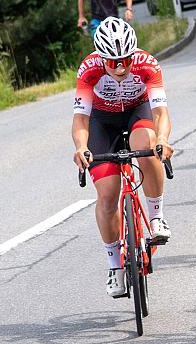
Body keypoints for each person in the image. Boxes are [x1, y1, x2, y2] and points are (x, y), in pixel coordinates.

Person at [72, 17, 173, 297]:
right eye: (112, 61)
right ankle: (115, 266)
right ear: (101, 58)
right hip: (102, 122)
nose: (120, 67)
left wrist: (163, 139)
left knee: (148, 144)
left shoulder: (147, 64)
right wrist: (81, 147)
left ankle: (156, 217)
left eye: (125, 60)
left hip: (136, 112)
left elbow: (160, 112)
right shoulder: (89, 69)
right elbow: (80, 119)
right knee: (107, 194)